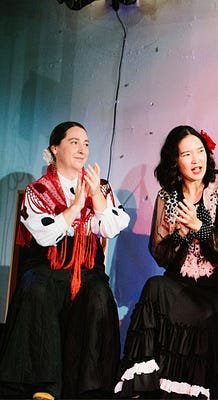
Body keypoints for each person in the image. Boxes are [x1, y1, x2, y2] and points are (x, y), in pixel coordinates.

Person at [0, 121, 130, 400]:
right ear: (55, 149)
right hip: (48, 264)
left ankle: (90, 386)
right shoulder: (39, 190)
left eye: (86, 143)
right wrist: (74, 208)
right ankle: (45, 384)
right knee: (37, 288)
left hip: (86, 268)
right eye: (74, 142)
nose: (82, 149)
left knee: (98, 293)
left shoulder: (100, 187)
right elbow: (44, 235)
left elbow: (111, 227)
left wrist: (95, 196)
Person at [114, 125, 218, 399]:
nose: (196, 160)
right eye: (187, 154)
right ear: (175, 161)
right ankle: (144, 385)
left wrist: (199, 227)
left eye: (200, 151)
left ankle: (185, 392)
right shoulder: (167, 196)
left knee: (190, 308)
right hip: (179, 284)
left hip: (215, 289)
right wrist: (179, 236)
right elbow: (160, 255)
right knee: (154, 285)